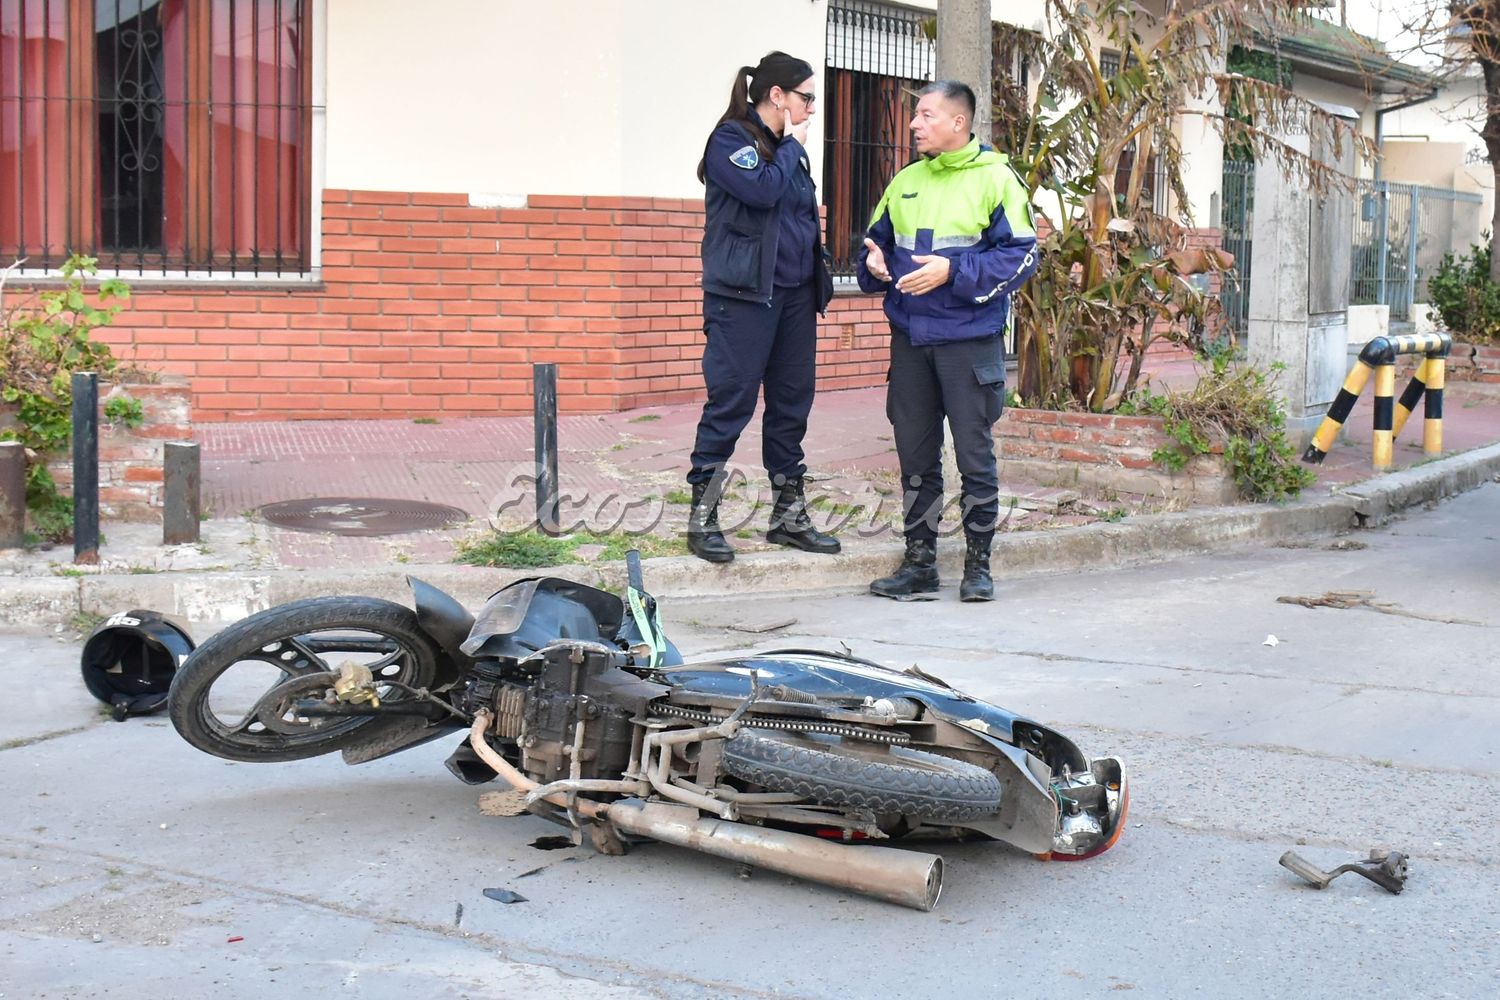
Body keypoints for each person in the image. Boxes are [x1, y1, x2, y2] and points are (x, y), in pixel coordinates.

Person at [857, 80, 1039, 602]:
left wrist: (951, 272)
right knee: (916, 456)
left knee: (974, 457)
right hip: (911, 342)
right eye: (916, 116)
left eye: (925, 115)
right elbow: (873, 246)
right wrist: (872, 264)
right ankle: (919, 564)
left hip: (968, 342)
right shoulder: (906, 180)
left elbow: (1022, 256)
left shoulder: (996, 178)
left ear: (958, 122)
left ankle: (978, 567)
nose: (914, 124)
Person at [685, 51, 838, 564]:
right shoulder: (732, 139)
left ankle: (787, 518)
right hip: (743, 299)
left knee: (792, 404)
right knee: (731, 403)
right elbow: (762, 191)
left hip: (794, 298)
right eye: (806, 97)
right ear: (777, 95)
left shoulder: (791, 153)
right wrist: (792, 149)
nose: (812, 107)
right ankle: (703, 518)